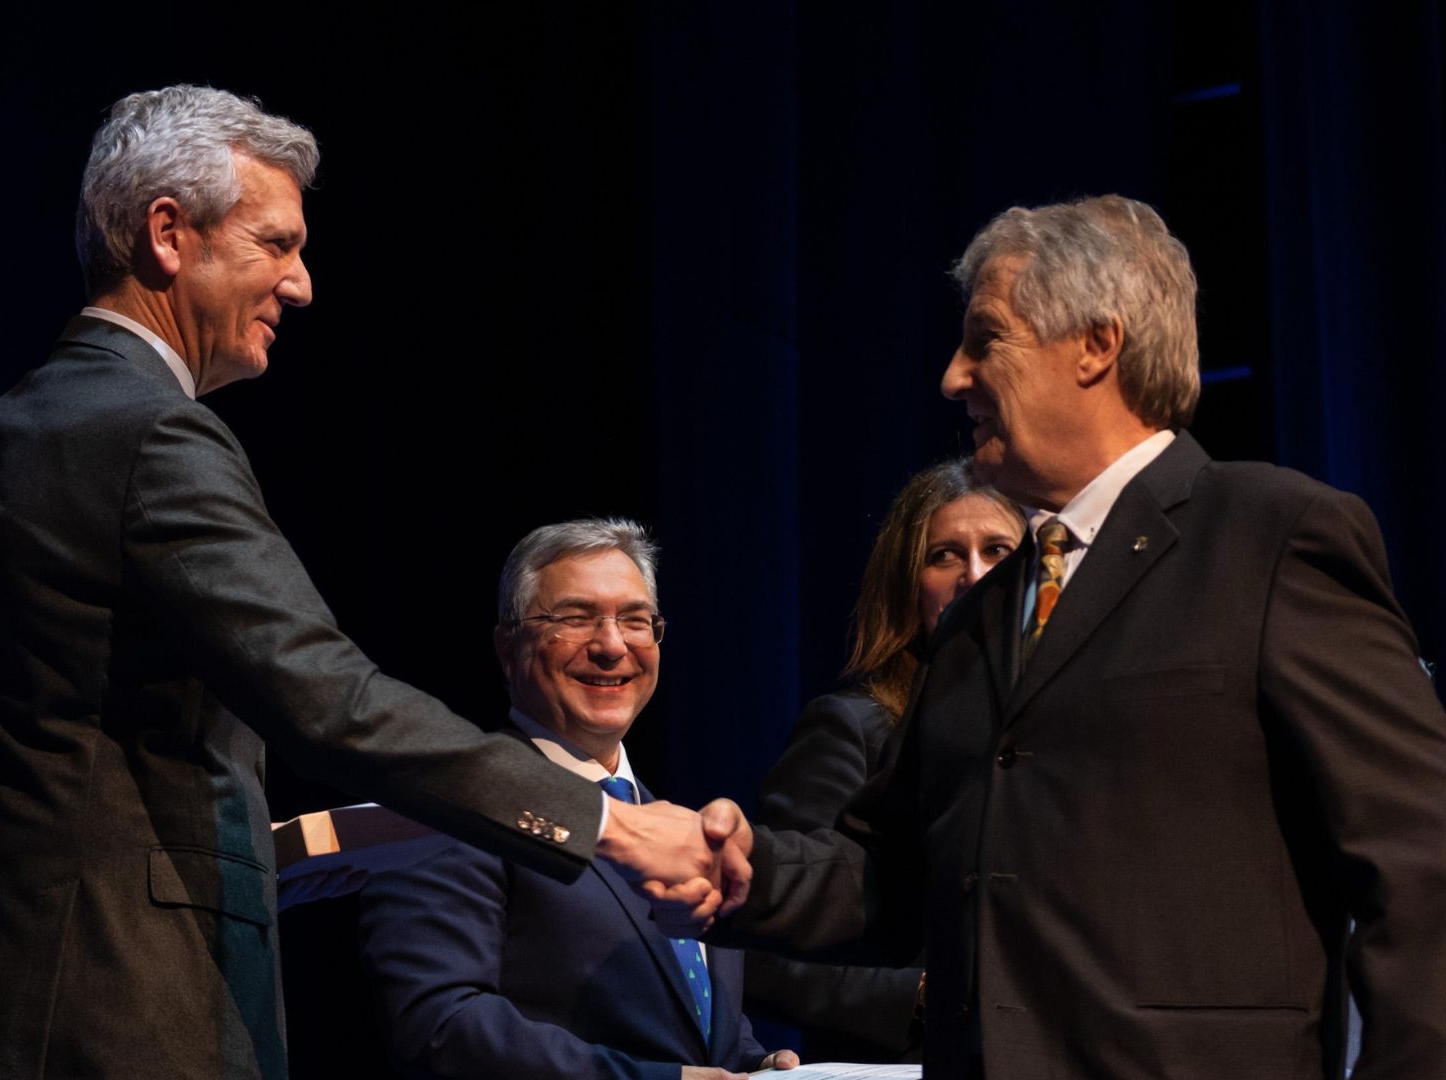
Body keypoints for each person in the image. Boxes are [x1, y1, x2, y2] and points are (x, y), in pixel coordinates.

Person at [0, 86, 733, 1080]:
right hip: (133, 1015)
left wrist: (241, 843)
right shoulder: (160, 435)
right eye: (276, 243)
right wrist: (608, 822)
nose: (302, 284)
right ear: (169, 235)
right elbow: (330, 698)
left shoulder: (0, 434)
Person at [704, 195, 1446, 1079]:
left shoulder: (1272, 535)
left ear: (1097, 345)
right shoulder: (984, 616)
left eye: (987, 339)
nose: (952, 376)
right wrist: (735, 866)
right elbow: (884, 874)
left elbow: (1419, 857)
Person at [360, 519, 799, 1080]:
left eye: (636, 621)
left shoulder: (672, 823)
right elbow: (437, 1026)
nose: (612, 646)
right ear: (507, 646)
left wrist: (756, 1063)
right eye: (574, 618)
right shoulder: (449, 805)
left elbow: (695, 1032)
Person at [748, 458, 1021, 1062]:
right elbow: (771, 955)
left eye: (998, 550)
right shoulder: (853, 730)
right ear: (907, 585)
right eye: (944, 555)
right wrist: (926, 996)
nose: (974, 576)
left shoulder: (1062, 735)